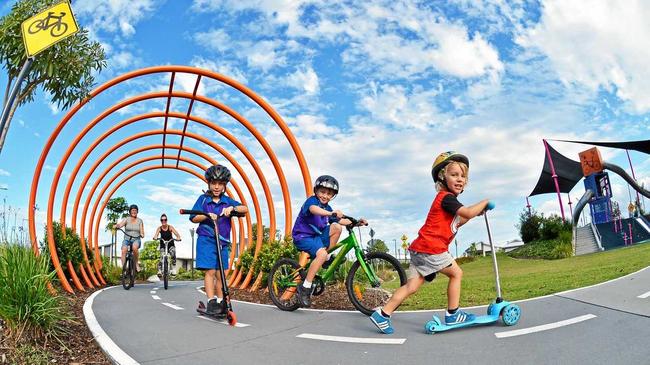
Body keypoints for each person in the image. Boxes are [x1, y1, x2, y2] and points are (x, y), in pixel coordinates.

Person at [370, 151, 490, 334]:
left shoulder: (449, 204)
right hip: (431, 249)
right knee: (456, 273)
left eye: (463, 176)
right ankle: (453, 314)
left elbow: (459, 220)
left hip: (420, 249)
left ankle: (382, 314)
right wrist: (484, 202)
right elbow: (466, 213)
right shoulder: (446, 198)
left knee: (412, 286)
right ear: (442, 176)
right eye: (454, 175)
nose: (460, 179)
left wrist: (476, 212)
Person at [292, 175, 367, 308]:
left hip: (316, 237)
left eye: (329, 194)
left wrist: (356, 222)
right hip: (303, 237)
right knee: (321, 254)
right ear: (316, 191)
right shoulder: (312, 201)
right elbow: (314, 210)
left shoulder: (328, 208)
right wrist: (331, 214)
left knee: (337, 227)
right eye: (322, 192)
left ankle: (325, 257)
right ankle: (305, 287)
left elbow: (340, 221)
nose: (325, 196)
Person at [190, 164, 248, 316]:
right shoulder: (203, 200)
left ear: (224, 185)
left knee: (221, 273)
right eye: (213, 183)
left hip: (222, 242)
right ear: (208, 183)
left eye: (220, 184)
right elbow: (194, 217)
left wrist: (232, 209)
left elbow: (244, 208)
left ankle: (221, 300)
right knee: (210, 271)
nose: (216, 187)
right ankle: (210, 302)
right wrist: (207, 215)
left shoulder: (227, 201)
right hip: (206, 239)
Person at [115, 204, 145, 272]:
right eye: (132, 210)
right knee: (124, 250)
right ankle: (124, 269)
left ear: (137, 212)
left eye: (135, 210)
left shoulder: (140, 220)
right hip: (127, 239)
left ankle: (136, 263)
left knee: (134, 247)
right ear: (130, 211)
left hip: (136, 239)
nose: (134, 212)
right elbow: (120, 224)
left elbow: (142, 230)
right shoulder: (126, 219)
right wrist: (117, 226)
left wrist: (142, 234)